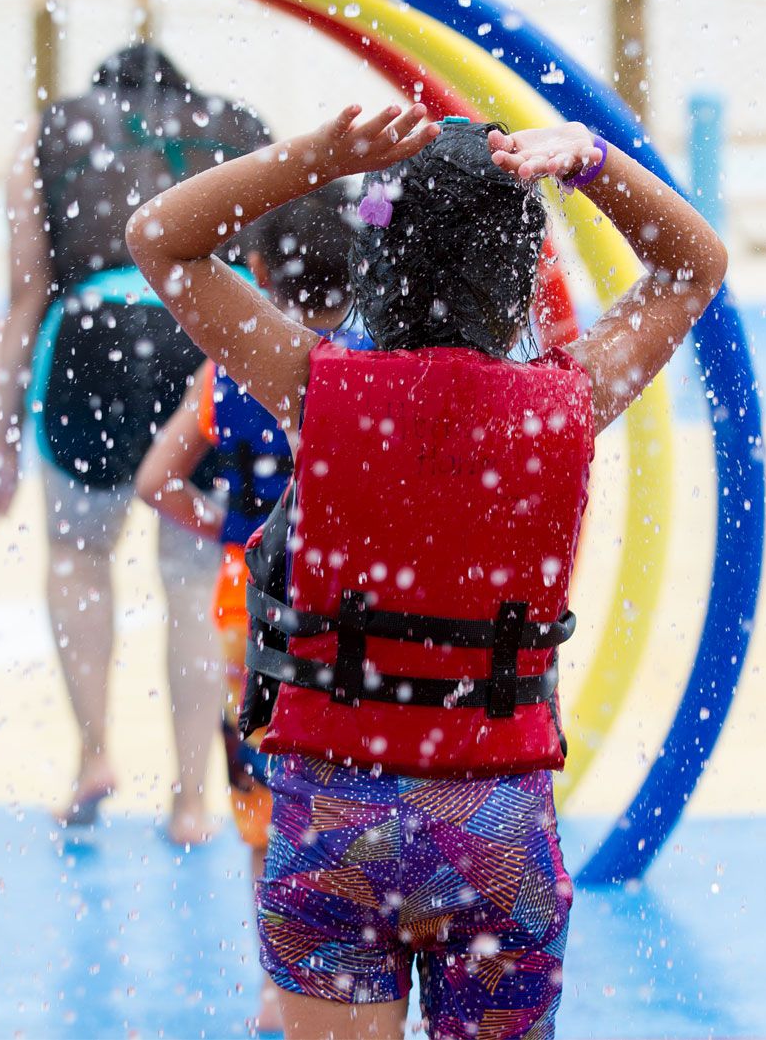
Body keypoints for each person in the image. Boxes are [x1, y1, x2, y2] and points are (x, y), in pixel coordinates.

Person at [127, 104, 726, 1037]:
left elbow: (161, 240)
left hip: (336, 810)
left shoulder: (317, 389)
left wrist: (310, 158)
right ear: (525, 268)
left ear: (381, 254)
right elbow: (696, 266)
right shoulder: (564, 406)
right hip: (490, 823)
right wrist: (593, 162)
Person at [0, 44, 271, 842]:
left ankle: (94, 754)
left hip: (91, 343)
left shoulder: (47, 132)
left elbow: (27, 294)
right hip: (201, 337)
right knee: (195, 576)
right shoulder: (237, 127)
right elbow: (275, 274)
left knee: (75, 555)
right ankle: (192, 798)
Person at [134, 182, 360, 1032]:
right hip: (356, 607)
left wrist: (235, 528)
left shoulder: (230, 366)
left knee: (265, 778)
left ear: (258, 270)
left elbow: (157, 481)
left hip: (254, 607)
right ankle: (358, 959)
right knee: (350, 775)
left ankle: (278, 980)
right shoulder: (374, 358)